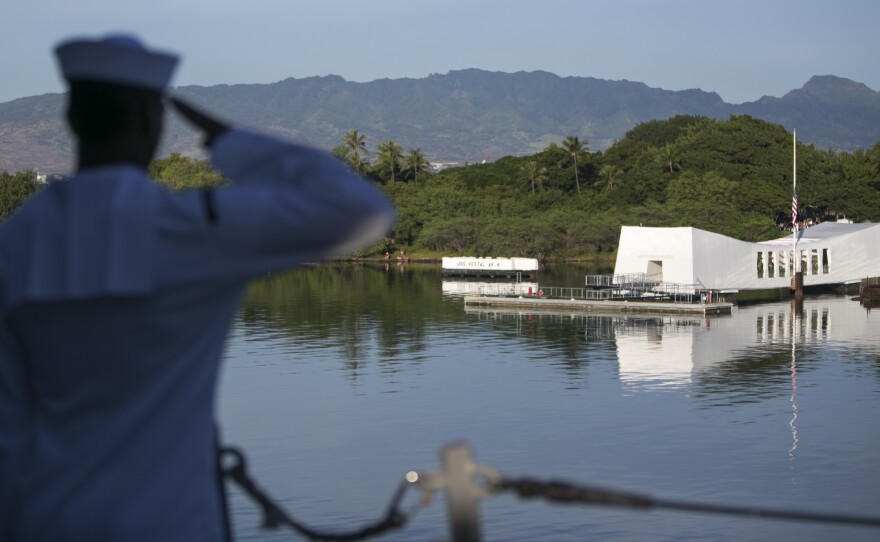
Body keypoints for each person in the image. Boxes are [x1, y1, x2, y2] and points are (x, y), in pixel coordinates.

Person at [0, 34, 394, 541]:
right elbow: (363, 209)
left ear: (72, 120)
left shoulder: (15, 246)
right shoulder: (194, 228)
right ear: (152, 121)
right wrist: (229, 139)